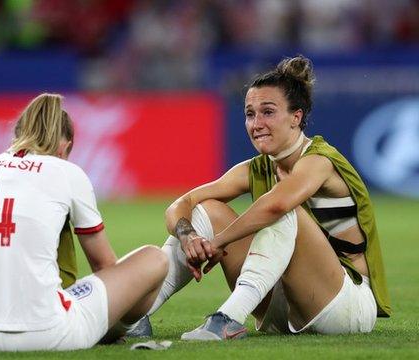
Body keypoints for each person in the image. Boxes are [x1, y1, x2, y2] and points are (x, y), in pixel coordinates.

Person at [129, 55, 391, 340]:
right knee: (208, 209)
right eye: (250, 114)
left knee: (281, 208)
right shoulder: (255, 169)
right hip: (285, 306)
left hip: (346, 307)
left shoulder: (319, 161)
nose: (256, 123)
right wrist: (189, 237)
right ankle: (136, 316)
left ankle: (227, 318)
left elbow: (277, 204)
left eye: (268, 112)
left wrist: (218, 242)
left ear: (296, 117)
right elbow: (181, 204)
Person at [0, 93, 169, 351]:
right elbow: (104, 265)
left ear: (15, 136)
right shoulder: (68, 172)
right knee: (155, 258)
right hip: (46, 332)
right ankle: (111, 331)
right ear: (65, 147)